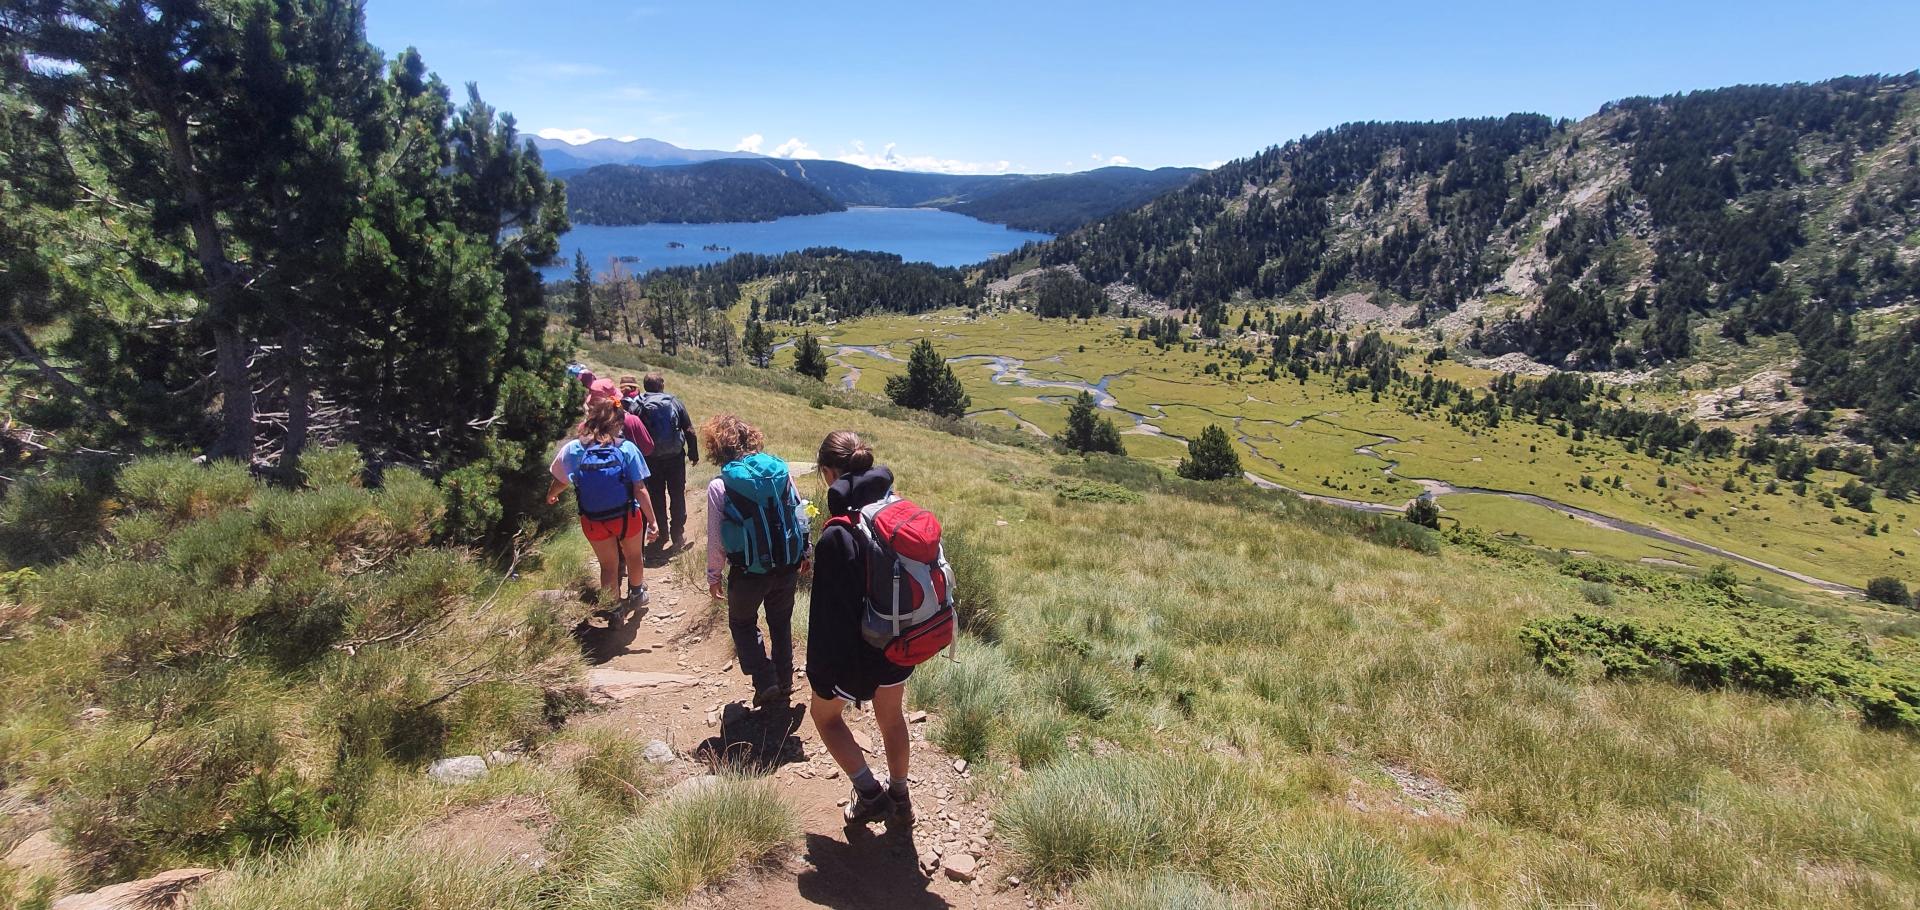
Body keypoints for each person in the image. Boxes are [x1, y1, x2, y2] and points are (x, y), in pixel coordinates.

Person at [807, 430, 914, 827]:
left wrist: (820, 676)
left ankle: (869, 794)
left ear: (827, 473)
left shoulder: (838, 533)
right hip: (903, 642)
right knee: (892, 718)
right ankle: (900, 796)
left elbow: (828, 620)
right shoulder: (894, 516)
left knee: (825, 717)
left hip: (859, 654)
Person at [703, 414, 810, 709]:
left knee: (741, 623)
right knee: (780, 622)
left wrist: (714, 575)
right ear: (752, 438)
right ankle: (785, 680)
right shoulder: (780, 471)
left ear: (717, 447)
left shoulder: (720, 485)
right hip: (786, 565)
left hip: (747, 571)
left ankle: (765, 680)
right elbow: (801, 511)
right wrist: (805, 550)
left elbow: (716, 539)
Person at [548, 378, 659, 611]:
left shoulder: (574, 448)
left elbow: (559, 480)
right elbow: (639, 488)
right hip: (627, 516)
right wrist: (652, 520)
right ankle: (636, 594)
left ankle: (613, 609)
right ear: (617, 424)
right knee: (633, 556)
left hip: (593, 519)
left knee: (608, 565)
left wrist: (551, 495)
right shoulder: (626, 447)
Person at [631, 372, 698, 555]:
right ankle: (677, 534)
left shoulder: (637, 404)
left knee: (656, 497)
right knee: (677, 495)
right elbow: (689, 430)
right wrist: (693, 454)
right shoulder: (674, 401)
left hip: (650, 460)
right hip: (675, 457)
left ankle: (661, 535)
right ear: (662, 384)